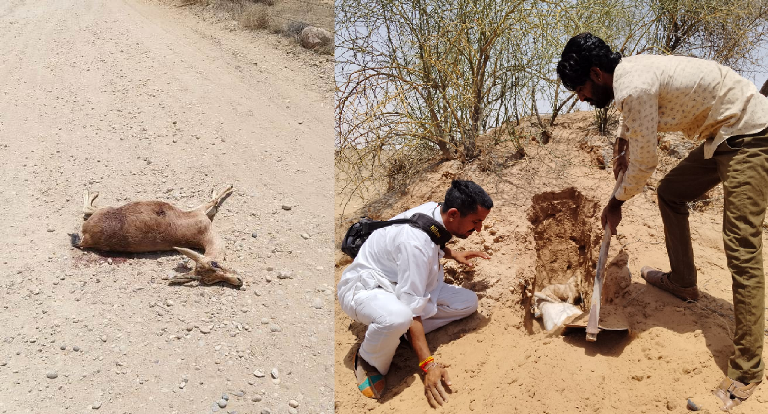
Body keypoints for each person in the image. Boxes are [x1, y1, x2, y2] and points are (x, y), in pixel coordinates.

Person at [557, 32, 768, 410]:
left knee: (741, 246)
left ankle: (748, 369)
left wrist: (616, 201)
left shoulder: (631, 85)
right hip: (718, 137)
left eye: (581, 88)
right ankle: (684, 283)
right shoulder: (628, 76)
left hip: (749, 134)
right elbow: (637, 121)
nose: (582, 98)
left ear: (596, 73)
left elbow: (645, 162)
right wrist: (622, 142)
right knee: (671, 192)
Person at [337, 180, 492, 407]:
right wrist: (428, 364)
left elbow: (434, 235)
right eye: (475, 222)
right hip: (366, 288)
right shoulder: (415, 245)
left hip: (399, 281)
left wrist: (451, 253)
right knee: (398, 317)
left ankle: (399, 335)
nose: (478, 229)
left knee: (467, 302)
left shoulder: (434, 210)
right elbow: (412, 307)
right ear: (453, 213)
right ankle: (367, 359)